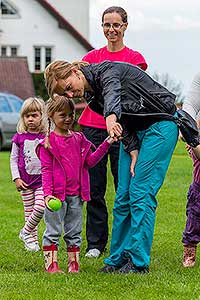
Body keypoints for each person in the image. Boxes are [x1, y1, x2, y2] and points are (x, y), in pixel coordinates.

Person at [43, 59, 179, 274]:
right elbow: (126, 121)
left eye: (68, 88)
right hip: (135, 135)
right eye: (65, 94)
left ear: (75, 71)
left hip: (160, 126)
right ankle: (117, 259)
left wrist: (110, 118)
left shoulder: (107, 70)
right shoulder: (91, 97)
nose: (71, 95)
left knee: (140, 193)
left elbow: (113, 93)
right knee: (122, 196)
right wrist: (133, 150)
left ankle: (138, 262)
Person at [79, 6, 148, 258]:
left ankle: (127, 242)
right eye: (107, 25)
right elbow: (87, 94)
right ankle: (95, 244)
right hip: (92, 130)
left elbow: (135, 96)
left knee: (125, 189)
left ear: (125, 26)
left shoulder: (135, 58)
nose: (111, 30)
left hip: (123, 132)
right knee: (95, 189)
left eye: (116, 25)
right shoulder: (91, 58)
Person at [36, 95, 115, 273]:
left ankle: (74, 264)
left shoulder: (79, 138)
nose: (68, 118)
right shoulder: (48, 143)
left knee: (74, 231)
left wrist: (107, 143)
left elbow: (91, 161)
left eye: (71, 114)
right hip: (56, 196)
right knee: (53, 231)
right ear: (51, 116)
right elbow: (46, 171)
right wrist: (47, 194)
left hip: (76, 196)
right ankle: (51, 265)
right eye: (62, 115)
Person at [10, 97, 46, 252]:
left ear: (42, 116)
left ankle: (24, 231)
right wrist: (16, 178)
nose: (30, 119)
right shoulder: (19, 137)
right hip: (25, 183)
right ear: (23, 118)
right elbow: (13, 159)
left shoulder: (46, 136)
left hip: (42, 181)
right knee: (29, 211)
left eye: (34, 115)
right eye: (27, 116)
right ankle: (31, 241)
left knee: (40, 208)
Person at [182, 73, 200, 267]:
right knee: (194, 223)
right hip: (199, 190)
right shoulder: (197, 143)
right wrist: (191, 138)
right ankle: (189, 253)